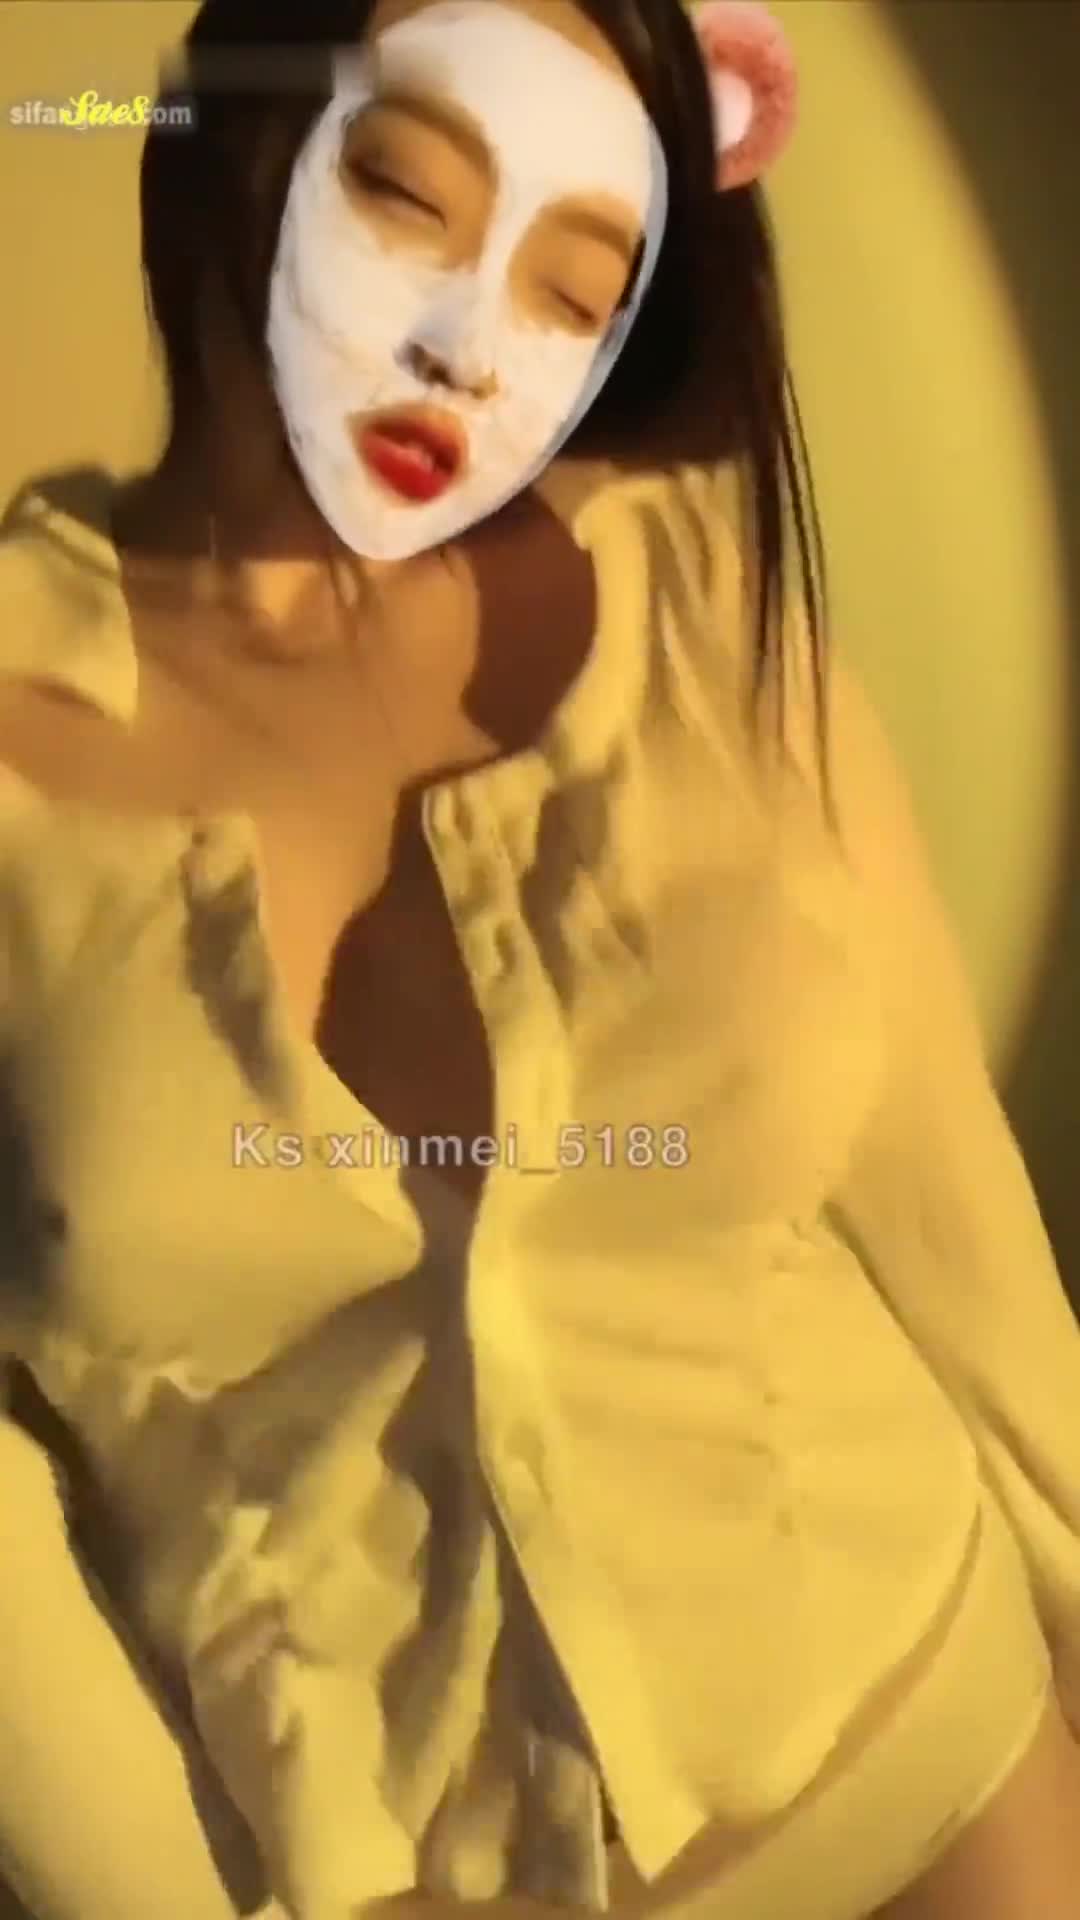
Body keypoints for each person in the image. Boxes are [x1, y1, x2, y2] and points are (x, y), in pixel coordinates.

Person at [1, 1, 1080, 1917]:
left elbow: (956, 1227)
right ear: (235, 141)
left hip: (946, 1786)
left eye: (578, 290)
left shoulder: (700, 602)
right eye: (410, 195)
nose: (469, 336)